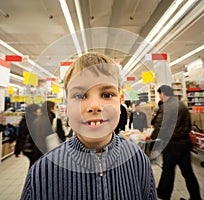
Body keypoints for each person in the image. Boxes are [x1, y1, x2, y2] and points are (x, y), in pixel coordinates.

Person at [21, 52, 157, 199]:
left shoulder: (138, 160)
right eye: (80, 96)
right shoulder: (42, 172)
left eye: (107, 95)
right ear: (67, 105)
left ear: (120, 101)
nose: (94, 106)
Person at [151, 85, 202, 200]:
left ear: (163, 94)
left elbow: (160, 126)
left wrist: (152, 141)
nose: (160, 97)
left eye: (159, 94)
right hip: (184, 142)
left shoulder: (166, 106)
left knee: (168, 170)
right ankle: (196, 197)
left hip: (172, 144)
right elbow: (189, 125)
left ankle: (164, 194)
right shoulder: (182, 105)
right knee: (188, 172)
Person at [14, 104, 43, 168]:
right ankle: (32, 177)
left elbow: (20, 135)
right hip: (31, 147)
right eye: (39, 110)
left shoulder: (26, 119)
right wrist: (17, 150)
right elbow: (22, 135)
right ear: (34, 111)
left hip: (29, 147)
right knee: (34, 165)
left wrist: (17, 151)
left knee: (34, 164)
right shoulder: (32, 120)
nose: (40, 111)